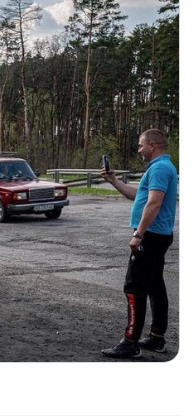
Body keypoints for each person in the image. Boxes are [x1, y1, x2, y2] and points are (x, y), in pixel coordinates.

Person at [100, 129, 178, 358]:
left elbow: (153, 204)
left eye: (141, 145)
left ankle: (130, 342)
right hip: (156, 235)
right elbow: (138, 196)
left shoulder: (161, 168)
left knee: (134, 287)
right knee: (154, 285)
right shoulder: (158, 168)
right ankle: (156, 338)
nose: (139, 149)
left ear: (153, 145)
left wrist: (139, 234)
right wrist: (113, 181)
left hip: (151, 235)